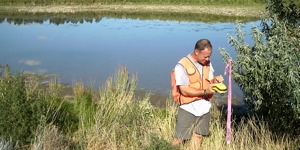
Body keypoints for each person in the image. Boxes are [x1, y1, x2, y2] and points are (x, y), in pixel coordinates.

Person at [172, 39, 224, 148]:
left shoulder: (207, 63)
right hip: (188, 107)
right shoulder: (182, 66)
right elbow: (184, 90)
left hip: (204, 107)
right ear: (197, 52)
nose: (208, 59)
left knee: (199, 135)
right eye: (205, 56)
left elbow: (209, 81)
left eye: (209, 56)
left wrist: (215, 81)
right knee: (179, 139)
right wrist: (205, 92)